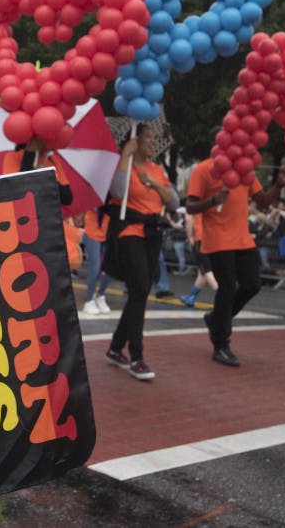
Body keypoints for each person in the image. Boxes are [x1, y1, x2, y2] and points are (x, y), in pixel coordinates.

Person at [187, 158, 285, 367]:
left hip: (242, 239)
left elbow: (262, 201)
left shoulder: (244, 170)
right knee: (226, 289)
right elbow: (190, 206)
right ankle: (221, 345)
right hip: (217, 240)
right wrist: (213, 201)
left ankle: (216, 319)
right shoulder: (203, 170)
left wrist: (279, 184)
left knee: (252, 284)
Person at [103, 124, 176, 381]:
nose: (153, 142)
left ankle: (114, 347)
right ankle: (136, 356)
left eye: (155, 138)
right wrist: (125, 156)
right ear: (135, 140)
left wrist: (155, 184)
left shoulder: (157, 170)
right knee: (141, 288)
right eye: (148, 137)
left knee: (140, 291)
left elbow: (174, 201)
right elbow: (117, 192)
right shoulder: (123, 165)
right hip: (128, 233)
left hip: (152, 235)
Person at [179, 208, 218, 307]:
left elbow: (188, 220)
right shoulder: (215, 200)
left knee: (206, 270)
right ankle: (191, 297)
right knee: (202, 272)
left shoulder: (195, 201)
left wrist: (190, 236)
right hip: (215, 238)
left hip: (201, 238)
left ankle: (221, 297)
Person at [81, 207, 113, 315]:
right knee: (95, 266)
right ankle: (89, 300)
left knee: (111, 268)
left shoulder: (116, 194)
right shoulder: (97, 191)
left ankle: (100, 294)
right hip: (92, 231)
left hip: (109, 232)